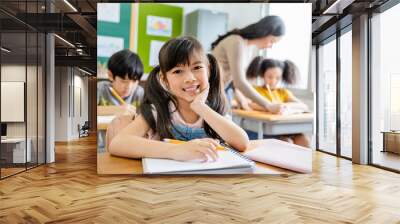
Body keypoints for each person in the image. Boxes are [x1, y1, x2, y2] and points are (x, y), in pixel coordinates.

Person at [108, 36, 249, 162]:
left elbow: (242, 143)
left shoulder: (213, 110)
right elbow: (118, 144)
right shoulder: (159, 111)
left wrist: (200, 106)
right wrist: (176, 150)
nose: (190, 78)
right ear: (165, 80)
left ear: (209, 70)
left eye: (197, 67)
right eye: (177, 71)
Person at [211, 15, 286, 114]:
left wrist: (241, 99)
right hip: (210, 92)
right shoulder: (236, 42)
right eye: (272, 41)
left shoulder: (248, 48)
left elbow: (233, 80)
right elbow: (239, 82)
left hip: (221, 92)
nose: (270, 46)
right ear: (265, 32)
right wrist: (269, 105)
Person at [245, 56, 310, 147]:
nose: (273, 81)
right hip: (264, 129)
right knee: (287, 142)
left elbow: (303, 106)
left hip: (284, 128)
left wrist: (284, 106)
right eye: (270, 77)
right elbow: (249, 104)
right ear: (263, 75)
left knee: (304, 140)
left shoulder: (283, 92)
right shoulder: (255, 90)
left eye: (277, 78)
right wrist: (270, 107)